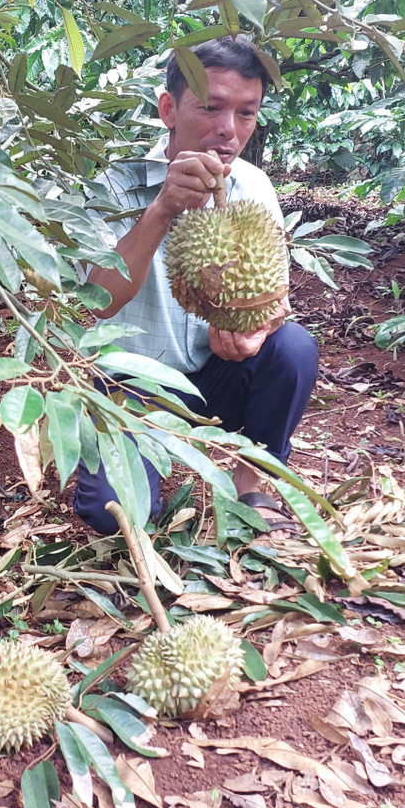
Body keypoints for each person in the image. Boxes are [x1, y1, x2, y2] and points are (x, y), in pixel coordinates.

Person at [75, 34, 319, 535]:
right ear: (169, 109)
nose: (229, 129)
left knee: (293, 349)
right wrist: (161, 209)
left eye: (246, 113)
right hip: (130, 387)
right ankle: (139, 478)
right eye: (211, 107)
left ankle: (251, 484)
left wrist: (256, 328)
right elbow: (97, 303)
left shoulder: (253, 186)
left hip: (214, 380)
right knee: (113, 517)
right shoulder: (111, 186)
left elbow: (276, 299)